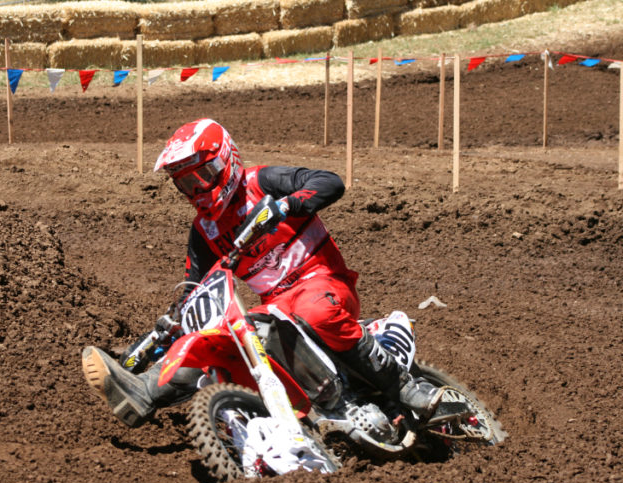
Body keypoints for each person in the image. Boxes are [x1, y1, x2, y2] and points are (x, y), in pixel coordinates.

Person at [82, 118, 442, 428]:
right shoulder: (205, 231)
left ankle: (404, 386)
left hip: (324, 282)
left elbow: (330, 182)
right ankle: (145, 390)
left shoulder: (262, 182)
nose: (197, 190)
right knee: (224, 340)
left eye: (202, 176)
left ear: (225, 161)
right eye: (186, 183)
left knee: (314, 310)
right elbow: (194, 293)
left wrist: (287, 205)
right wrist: (160, 336)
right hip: (277, 308)